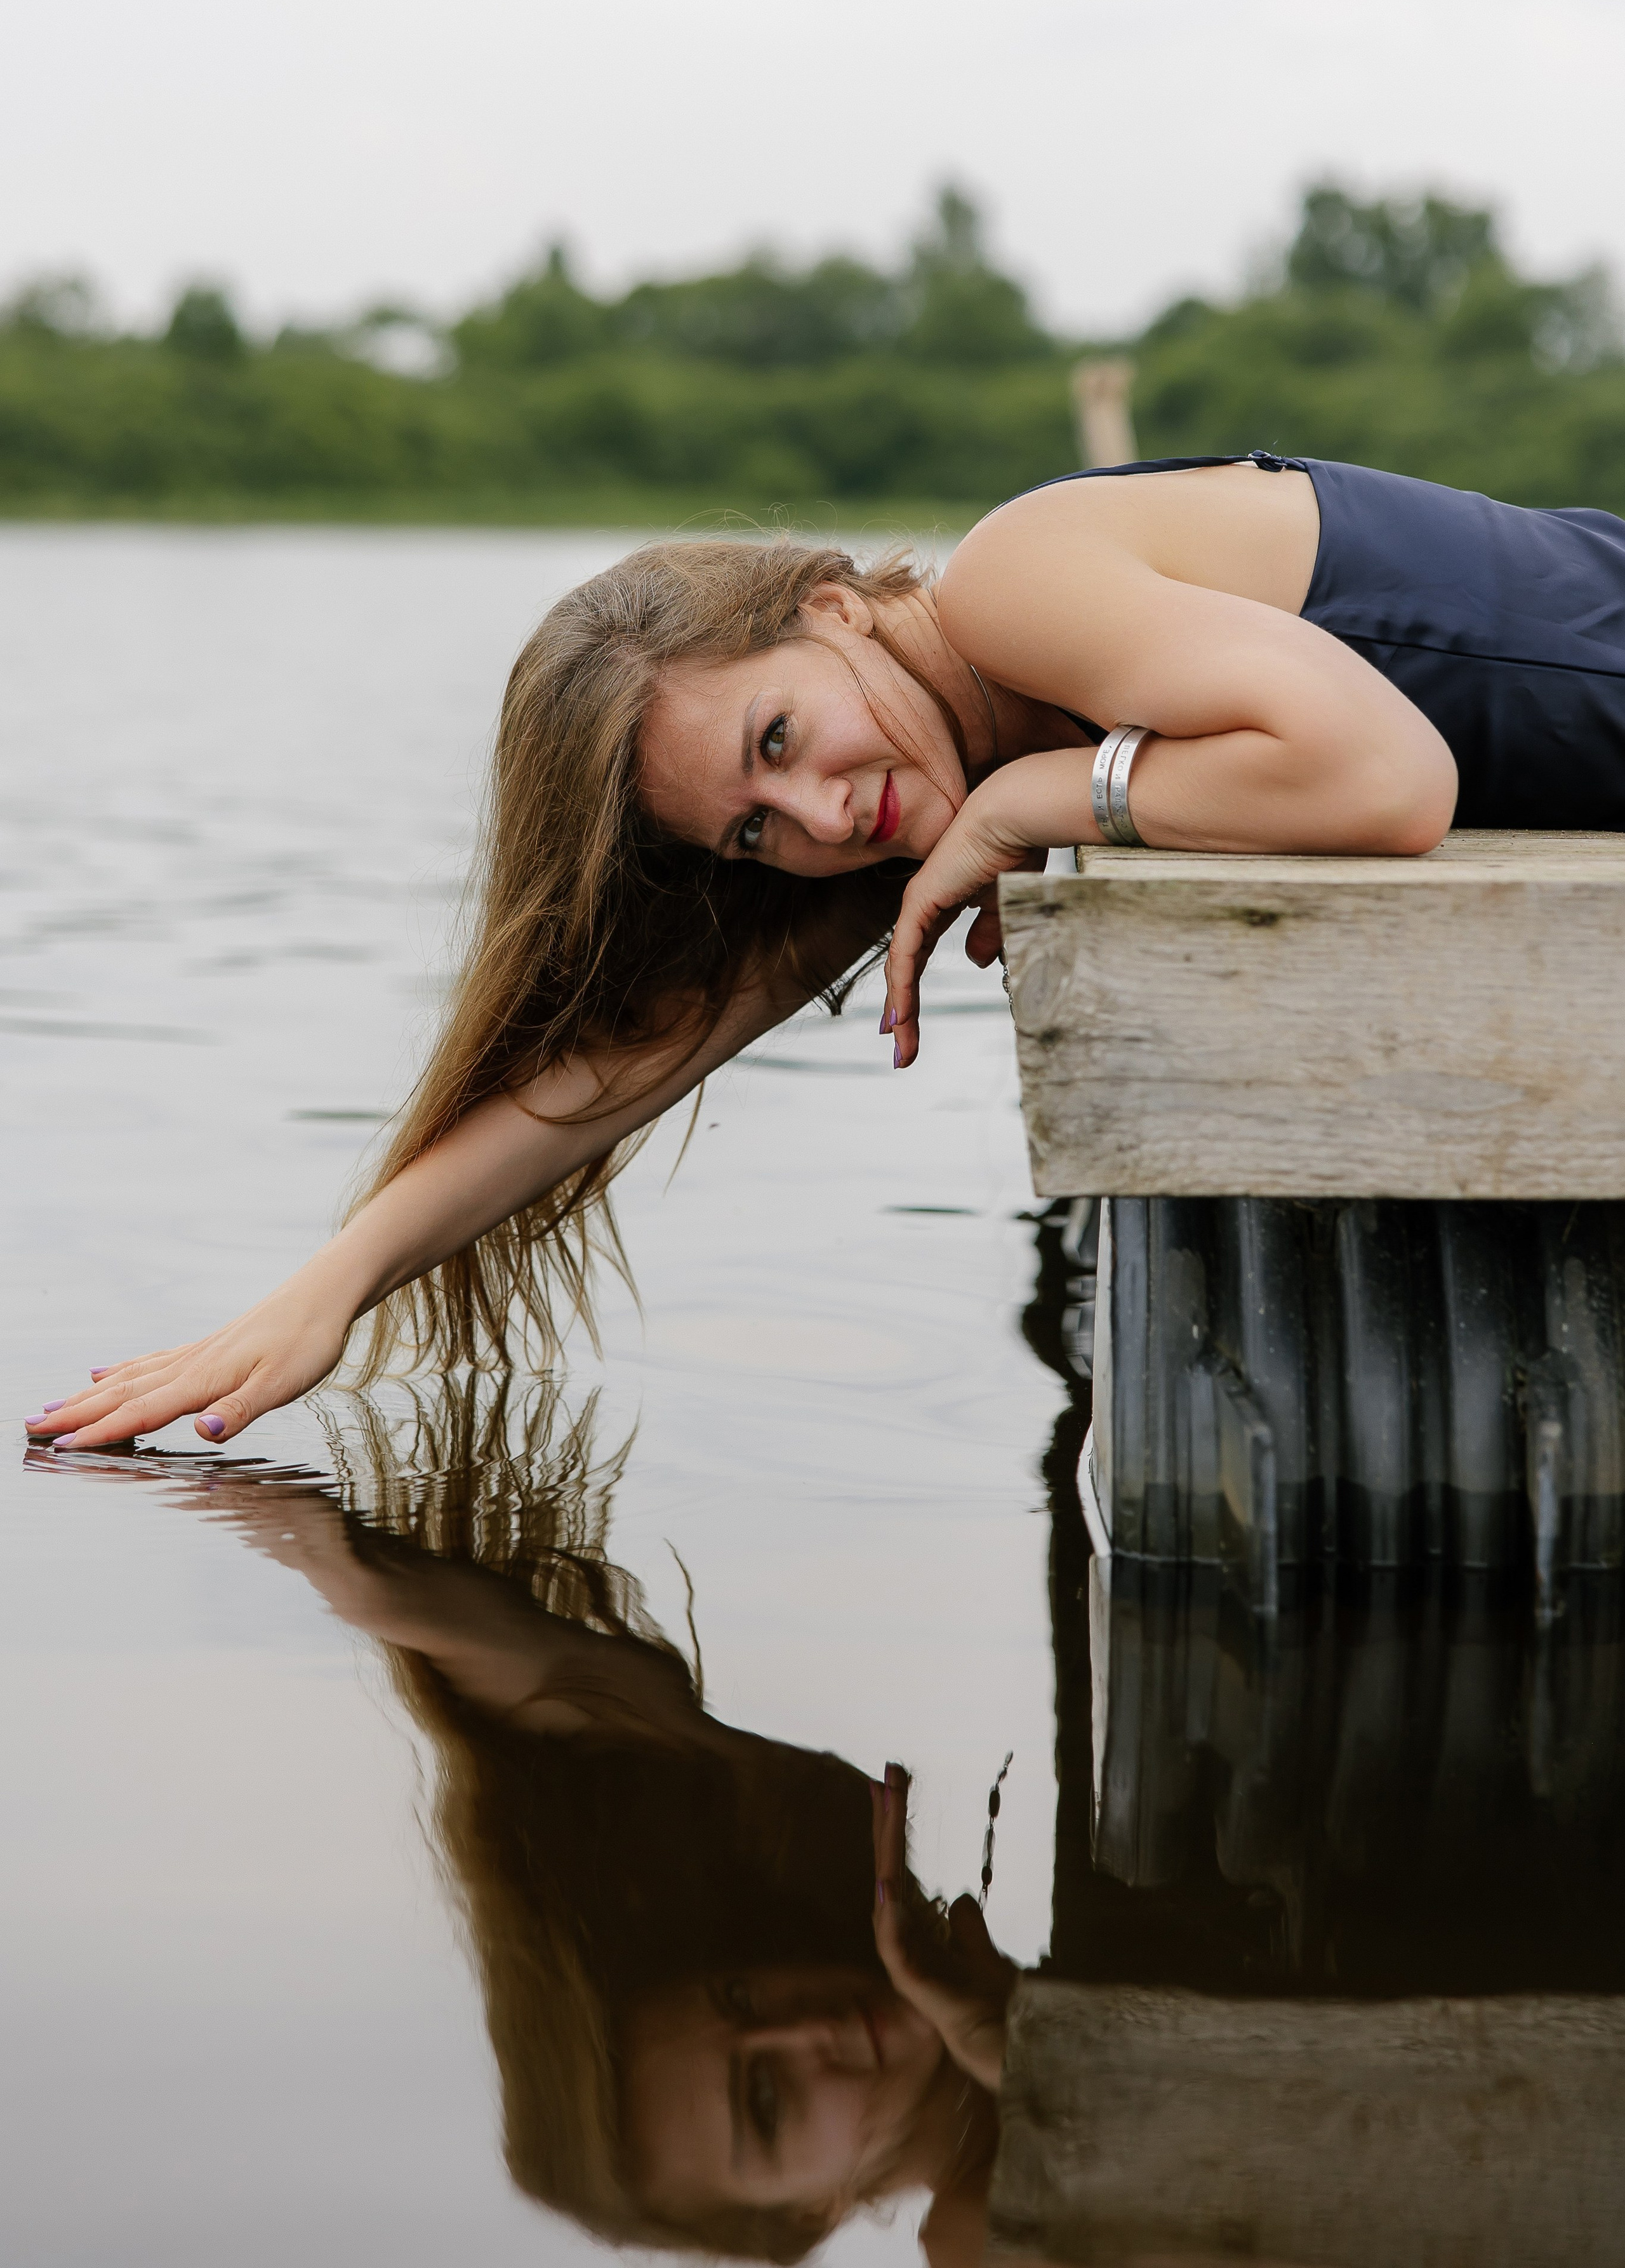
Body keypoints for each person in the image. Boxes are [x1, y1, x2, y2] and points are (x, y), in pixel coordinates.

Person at [27, 452, 1625, 1453]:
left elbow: (1386, 780)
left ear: (831, 606)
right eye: (750, 828)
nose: (816, 811)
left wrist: (1026, 800)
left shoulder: (1019, 579)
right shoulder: (894, 811)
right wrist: (325, 1293)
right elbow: (608, 1073)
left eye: (779, 732)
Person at [135, 1376, 1013, 2265]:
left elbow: (575, 1688)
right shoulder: (989, 2230)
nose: (802, 2024)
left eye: (738, 1992)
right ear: (802, 2215)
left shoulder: (898, 1894)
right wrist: (1033, 2070)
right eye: (768, 2100)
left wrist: (341, 1562)